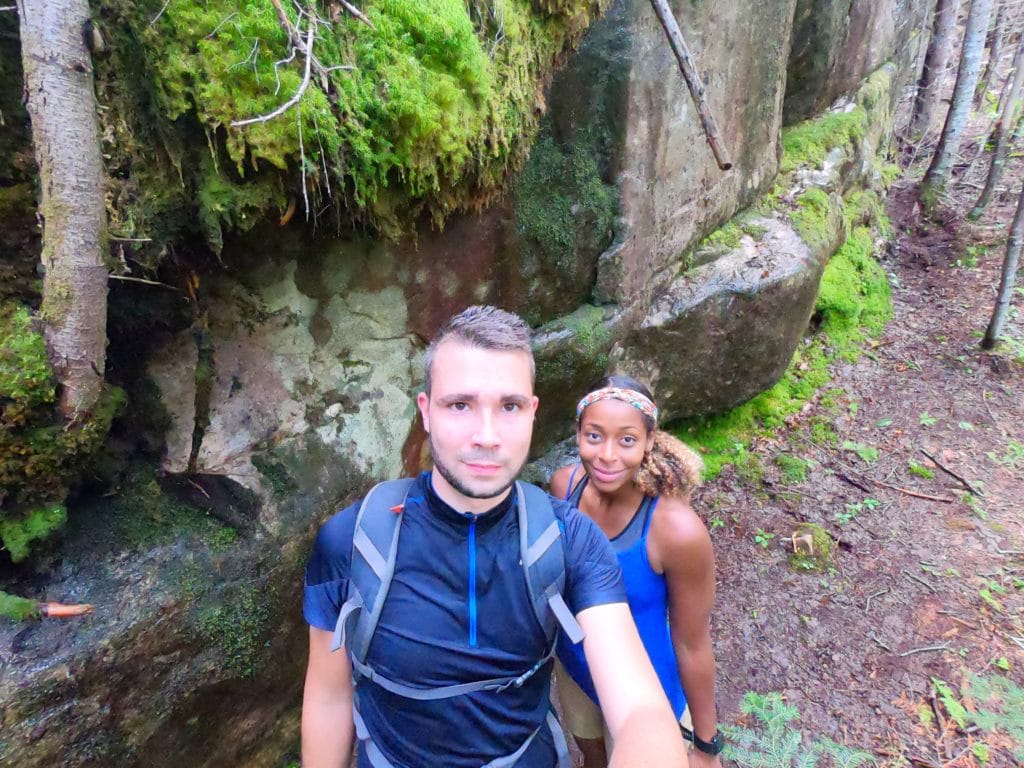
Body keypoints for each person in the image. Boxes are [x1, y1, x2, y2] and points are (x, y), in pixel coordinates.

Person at [301, 306, 688, 768]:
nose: (486, 436)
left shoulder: (569, 539)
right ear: (425, 412)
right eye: (460, 404)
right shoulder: (353, 541)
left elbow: (641, 708)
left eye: (509, 406)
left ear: (532, 413)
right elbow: (328, 696)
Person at [550, 375, 723, 768]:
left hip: (648, 692)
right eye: (594, 436)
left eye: (626, 439)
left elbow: (693, 641)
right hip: (575, 669)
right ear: (578, 434)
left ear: (649, 442)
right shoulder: (564, 488)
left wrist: (706, 747)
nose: (607, 455)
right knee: (590, 754)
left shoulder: (675, 529)